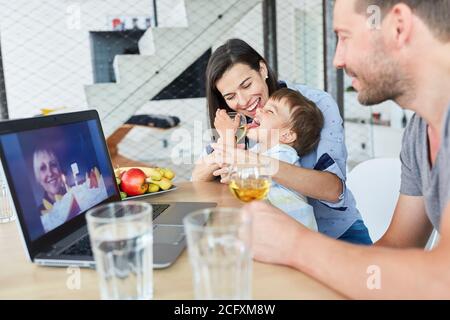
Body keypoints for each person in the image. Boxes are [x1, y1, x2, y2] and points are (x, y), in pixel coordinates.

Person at [237, 0, 450, 299]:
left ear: (398, 26)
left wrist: (295, 245)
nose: (337, 59)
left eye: (345, 37)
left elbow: (442, 280)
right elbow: (397, 249)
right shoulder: (419, 132)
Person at [192, 38, 372, 245]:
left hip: (336, 234)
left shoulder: (312, 105)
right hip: (274, 241)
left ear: (262, 69)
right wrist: (226, 145)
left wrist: (249, 161)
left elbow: (333, 191)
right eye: (231, 96)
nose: (243, 101)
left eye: (247, 85)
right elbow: (198, 176)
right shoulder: (236, 121)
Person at [216, 88, 323, 230]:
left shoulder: (285, 155)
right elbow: (227, 174)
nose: (258, 110)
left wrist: (228, 135)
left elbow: (232, 172)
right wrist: (230, 139)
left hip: (294, 243)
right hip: (273, 235)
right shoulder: (259, 151)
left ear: (286, 135)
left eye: (270, 111)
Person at [33, 148, 80, 232]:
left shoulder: (81, 192)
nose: (50, 173)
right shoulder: (37, 218)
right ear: (38, 178)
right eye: (43, 168)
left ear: (60, 169)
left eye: (53, 165)